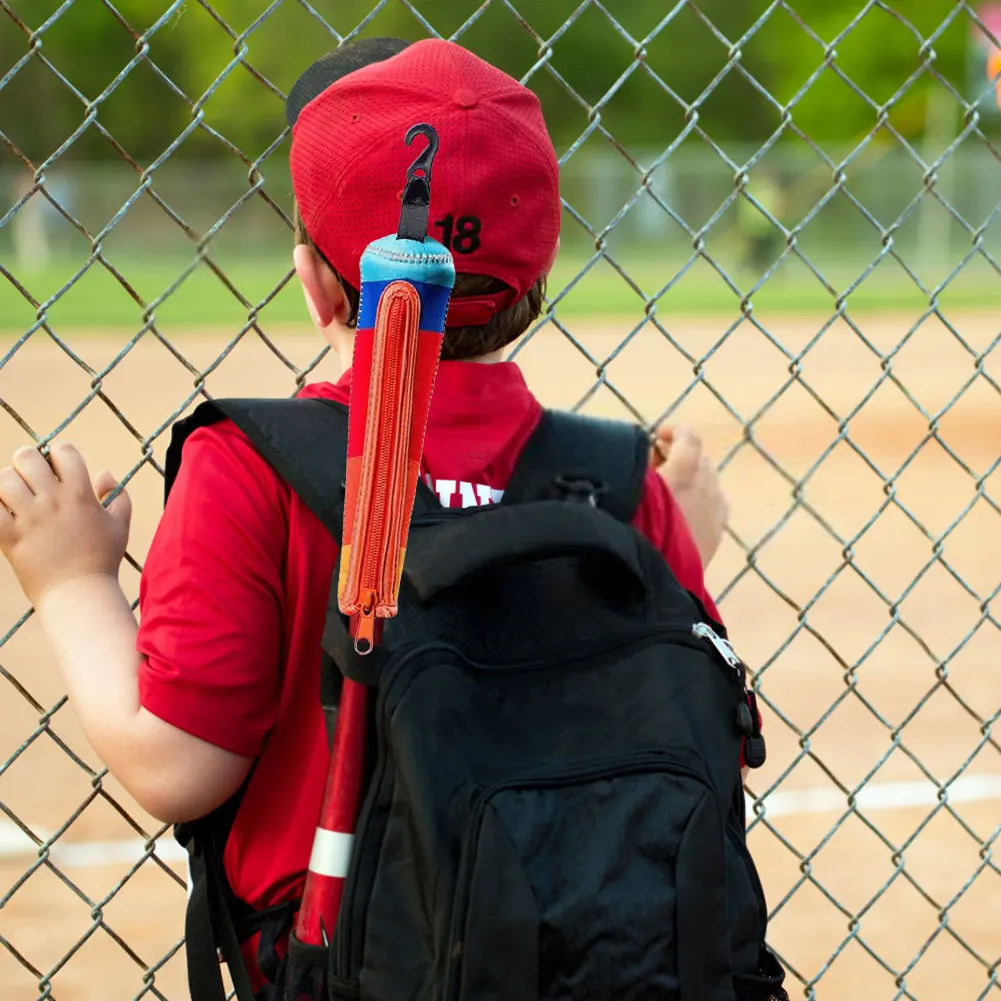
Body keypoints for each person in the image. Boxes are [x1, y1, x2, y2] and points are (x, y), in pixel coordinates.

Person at [0, 37, 734, 994]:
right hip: (586, 958)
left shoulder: (252, 467)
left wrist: (73, 582)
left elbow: (175, 768)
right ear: (538, 277)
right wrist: (668, 553)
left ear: (313, 279)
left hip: (350, 963)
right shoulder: (613, 482)